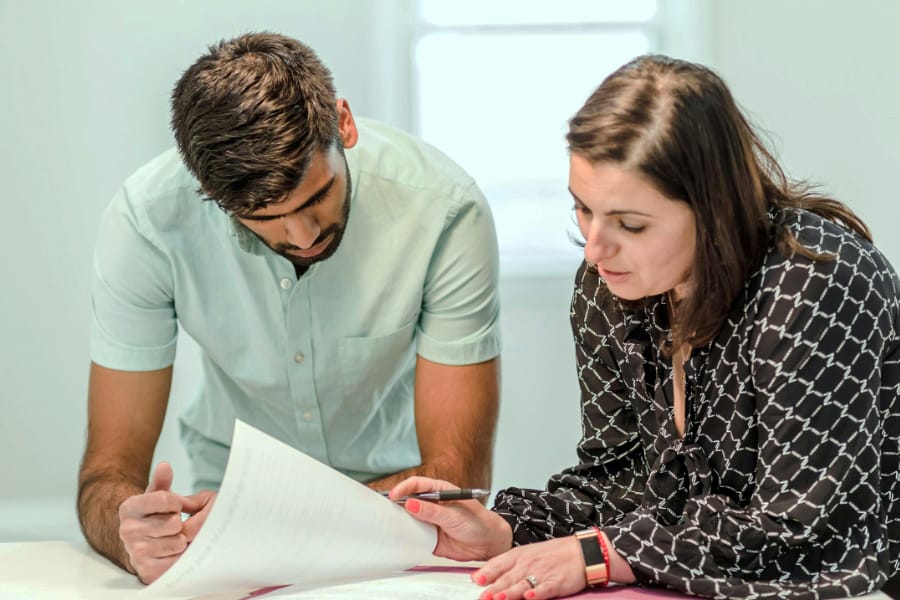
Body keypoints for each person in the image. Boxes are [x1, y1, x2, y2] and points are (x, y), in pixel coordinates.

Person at [391, 54, 900, 600]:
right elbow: (621, 480)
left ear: (714, 209)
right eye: (582, 209)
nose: (594, 247)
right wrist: (508, 531)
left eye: (630, 224)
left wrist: (603, 554)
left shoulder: (817, 284)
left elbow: (801, 532)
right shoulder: (607, 287)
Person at [77, 32, 501, 584]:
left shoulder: (446, 210)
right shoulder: (147, 223)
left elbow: (455, 475)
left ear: (343, 124)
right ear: (209, 193)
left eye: (316, 196)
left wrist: (259, 523)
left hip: (402, 522)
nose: (302, 236)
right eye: (264, 218)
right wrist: (129, 534)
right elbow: (105, 476)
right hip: (227, 514)